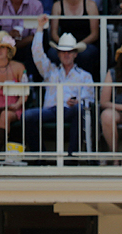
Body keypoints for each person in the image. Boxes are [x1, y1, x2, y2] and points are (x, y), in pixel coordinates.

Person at [25, 16, 95, 159]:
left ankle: (72, 157)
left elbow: (89, 101)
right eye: (63, 51)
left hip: (71, 110)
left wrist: (78, 101)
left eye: (69, 51)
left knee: (79, 109)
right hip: (51, 109)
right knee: (28, 116)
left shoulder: (85, 76)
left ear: (75, 54)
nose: (66, 54)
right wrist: (39, 28)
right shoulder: (51, 71)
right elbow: (37, 53)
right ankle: (41, 157)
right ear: (58, 54)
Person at [0, 0, 45, 79]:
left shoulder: (36, 5)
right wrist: (6, 38)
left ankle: (30, 82)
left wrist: (15, 44)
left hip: (24, 45)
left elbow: (36, 35)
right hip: (3, 45)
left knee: (34, 46)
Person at [48, 0, 99, 79]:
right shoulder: (57, 6)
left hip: (85, 43)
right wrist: (64, 45)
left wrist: (77, 46)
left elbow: (94, 34)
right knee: (52, 53)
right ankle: (56, 82)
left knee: (85, 54)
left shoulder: (91, 5)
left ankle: (86, 83)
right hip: (64, 44)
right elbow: (53, 33)